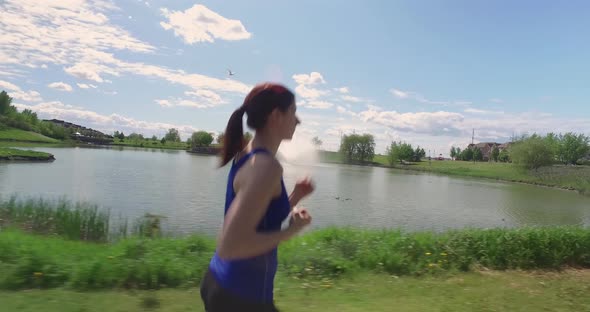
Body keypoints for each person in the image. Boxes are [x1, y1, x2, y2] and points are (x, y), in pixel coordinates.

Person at [200, 83, 315, 311]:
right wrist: (289, 232)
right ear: (276, 116)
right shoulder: (265, 167)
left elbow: (260, 218)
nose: (298, 120)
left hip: (221, 282)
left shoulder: (248, 155)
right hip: (242, 297)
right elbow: (230, 246)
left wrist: (295, 196)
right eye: (293, 111)